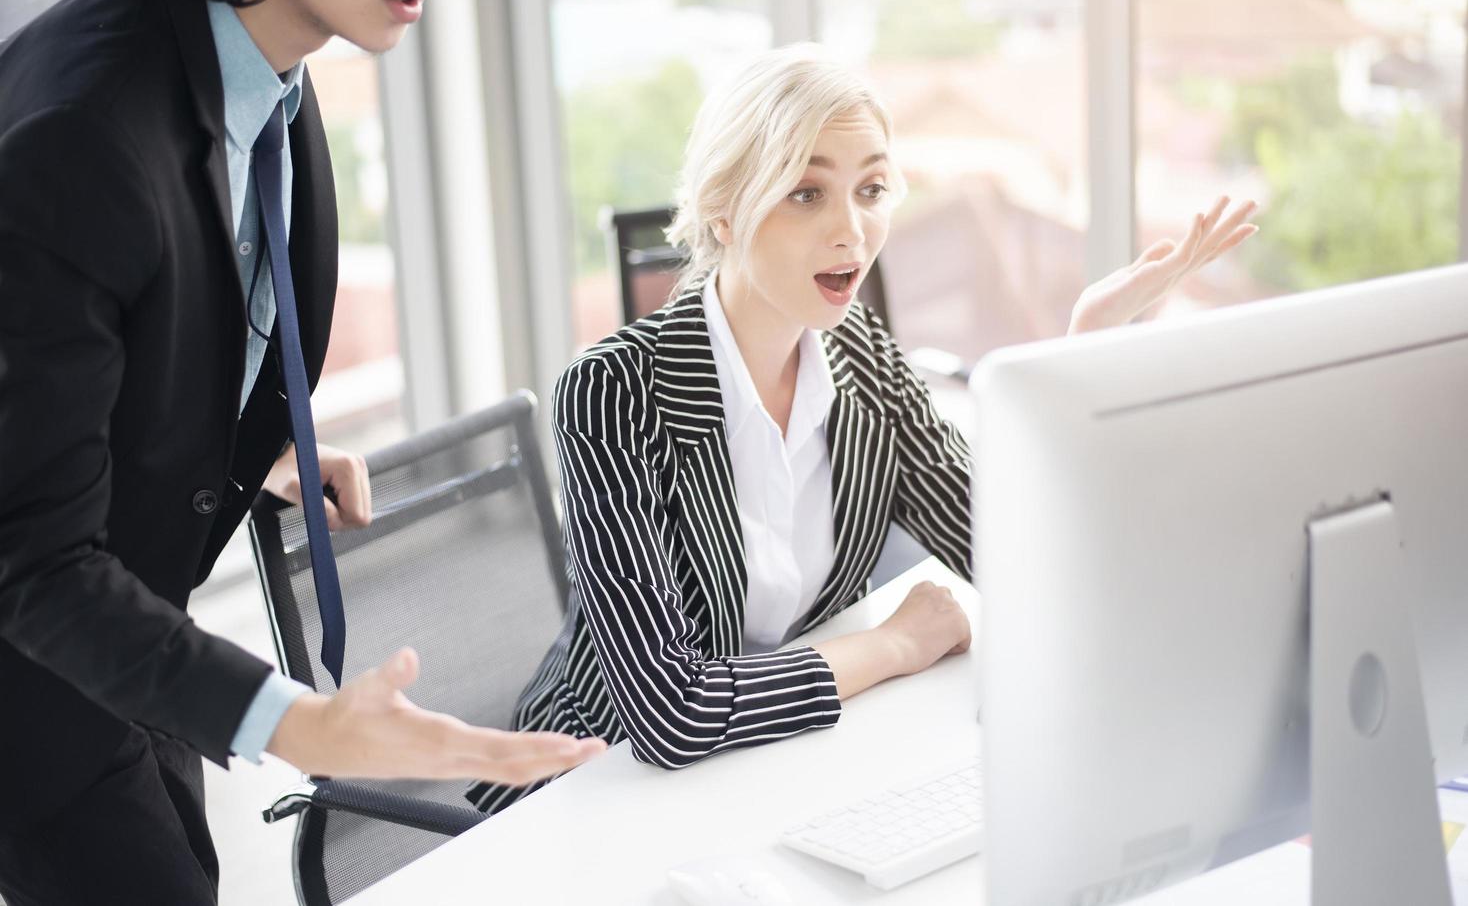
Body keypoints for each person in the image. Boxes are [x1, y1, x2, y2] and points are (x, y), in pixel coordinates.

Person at [466, 44, 1256, 815]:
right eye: (807, 194)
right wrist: (892, 647)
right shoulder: (613, 393)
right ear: (725, 209)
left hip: (765, 770)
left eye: (872, 189)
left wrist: (1084, 360)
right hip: (589, 792)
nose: (852, 231)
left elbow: (1013, 553)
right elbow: (673, 713)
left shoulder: (865, 358)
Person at [0, 0, 602, 903]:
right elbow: (28, 556)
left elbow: (126, 328)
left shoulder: (260, 57)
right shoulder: (85, 129)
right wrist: (299, 723)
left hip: (126, 619)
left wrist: (238, 436)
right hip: (37, 660)